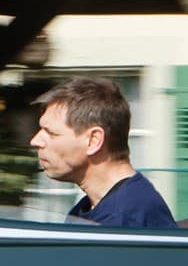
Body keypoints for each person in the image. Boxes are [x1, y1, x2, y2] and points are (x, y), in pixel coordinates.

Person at [30, 77, 177, 228]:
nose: (35, 141)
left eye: (51, 133)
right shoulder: (93, 208)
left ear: (93, 141)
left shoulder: (122, 221)